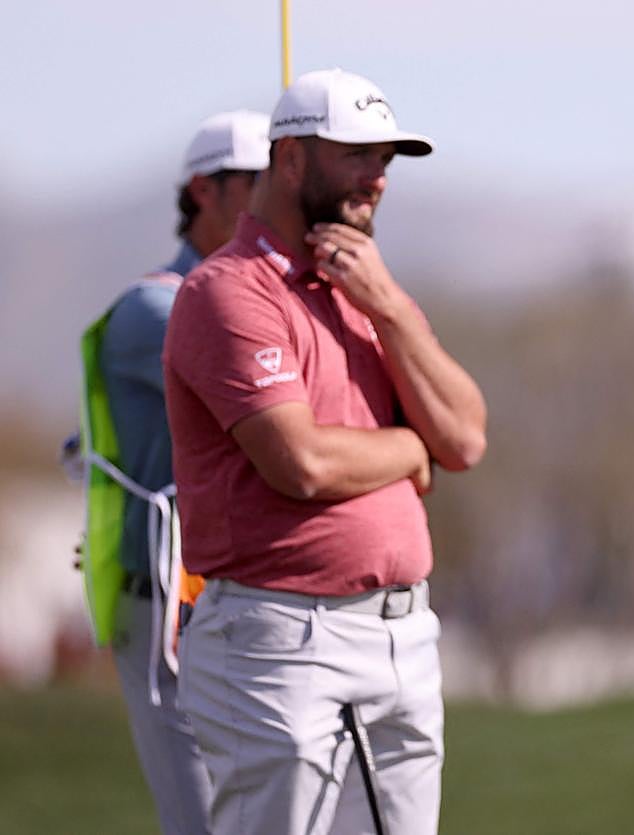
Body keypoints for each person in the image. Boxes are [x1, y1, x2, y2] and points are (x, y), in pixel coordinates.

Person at [162, 68, 487, 835]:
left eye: (386, 160)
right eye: (357, 155)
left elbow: (467, 435)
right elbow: (300, 462)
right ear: (292, 159)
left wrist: (390, 307)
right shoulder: (226, 291)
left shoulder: (363, 282)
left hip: (402, 635)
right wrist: (410, 450)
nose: (377, 177)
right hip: (278, 640)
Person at [78, 109, 270, 835]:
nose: (272, 203)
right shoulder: (154, 309)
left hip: (240, 593)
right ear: (203, 189)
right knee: (204, 821)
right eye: (255, 182)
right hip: (164, 597)